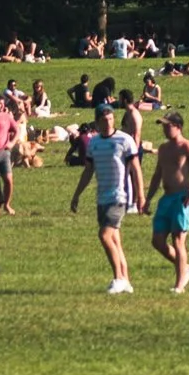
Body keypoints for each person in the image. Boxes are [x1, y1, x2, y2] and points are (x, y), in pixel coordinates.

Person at [70, 103, 140, 295]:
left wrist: (140, 195)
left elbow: (136, 169)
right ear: (97, 121)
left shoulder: (125, 140)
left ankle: (117, 278)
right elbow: (88, 171)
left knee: (105, 235)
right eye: (104, 120)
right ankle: (126, 280)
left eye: (111, 119)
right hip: (102, 196)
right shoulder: (94, 143)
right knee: (115, 240)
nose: (108, 123)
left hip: (119, 196)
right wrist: (77, 195)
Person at [147, 114, 189, 295]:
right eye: (163, 126)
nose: (165, 129)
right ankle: (186, 268)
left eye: (168, 126)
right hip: (166, 199)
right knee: (157, 241)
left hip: (183, 198)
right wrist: (147, 198)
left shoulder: (187, 147)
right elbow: (157, 175)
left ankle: (179, 285)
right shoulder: (163, 148)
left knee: (178, 240)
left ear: (178, 126)